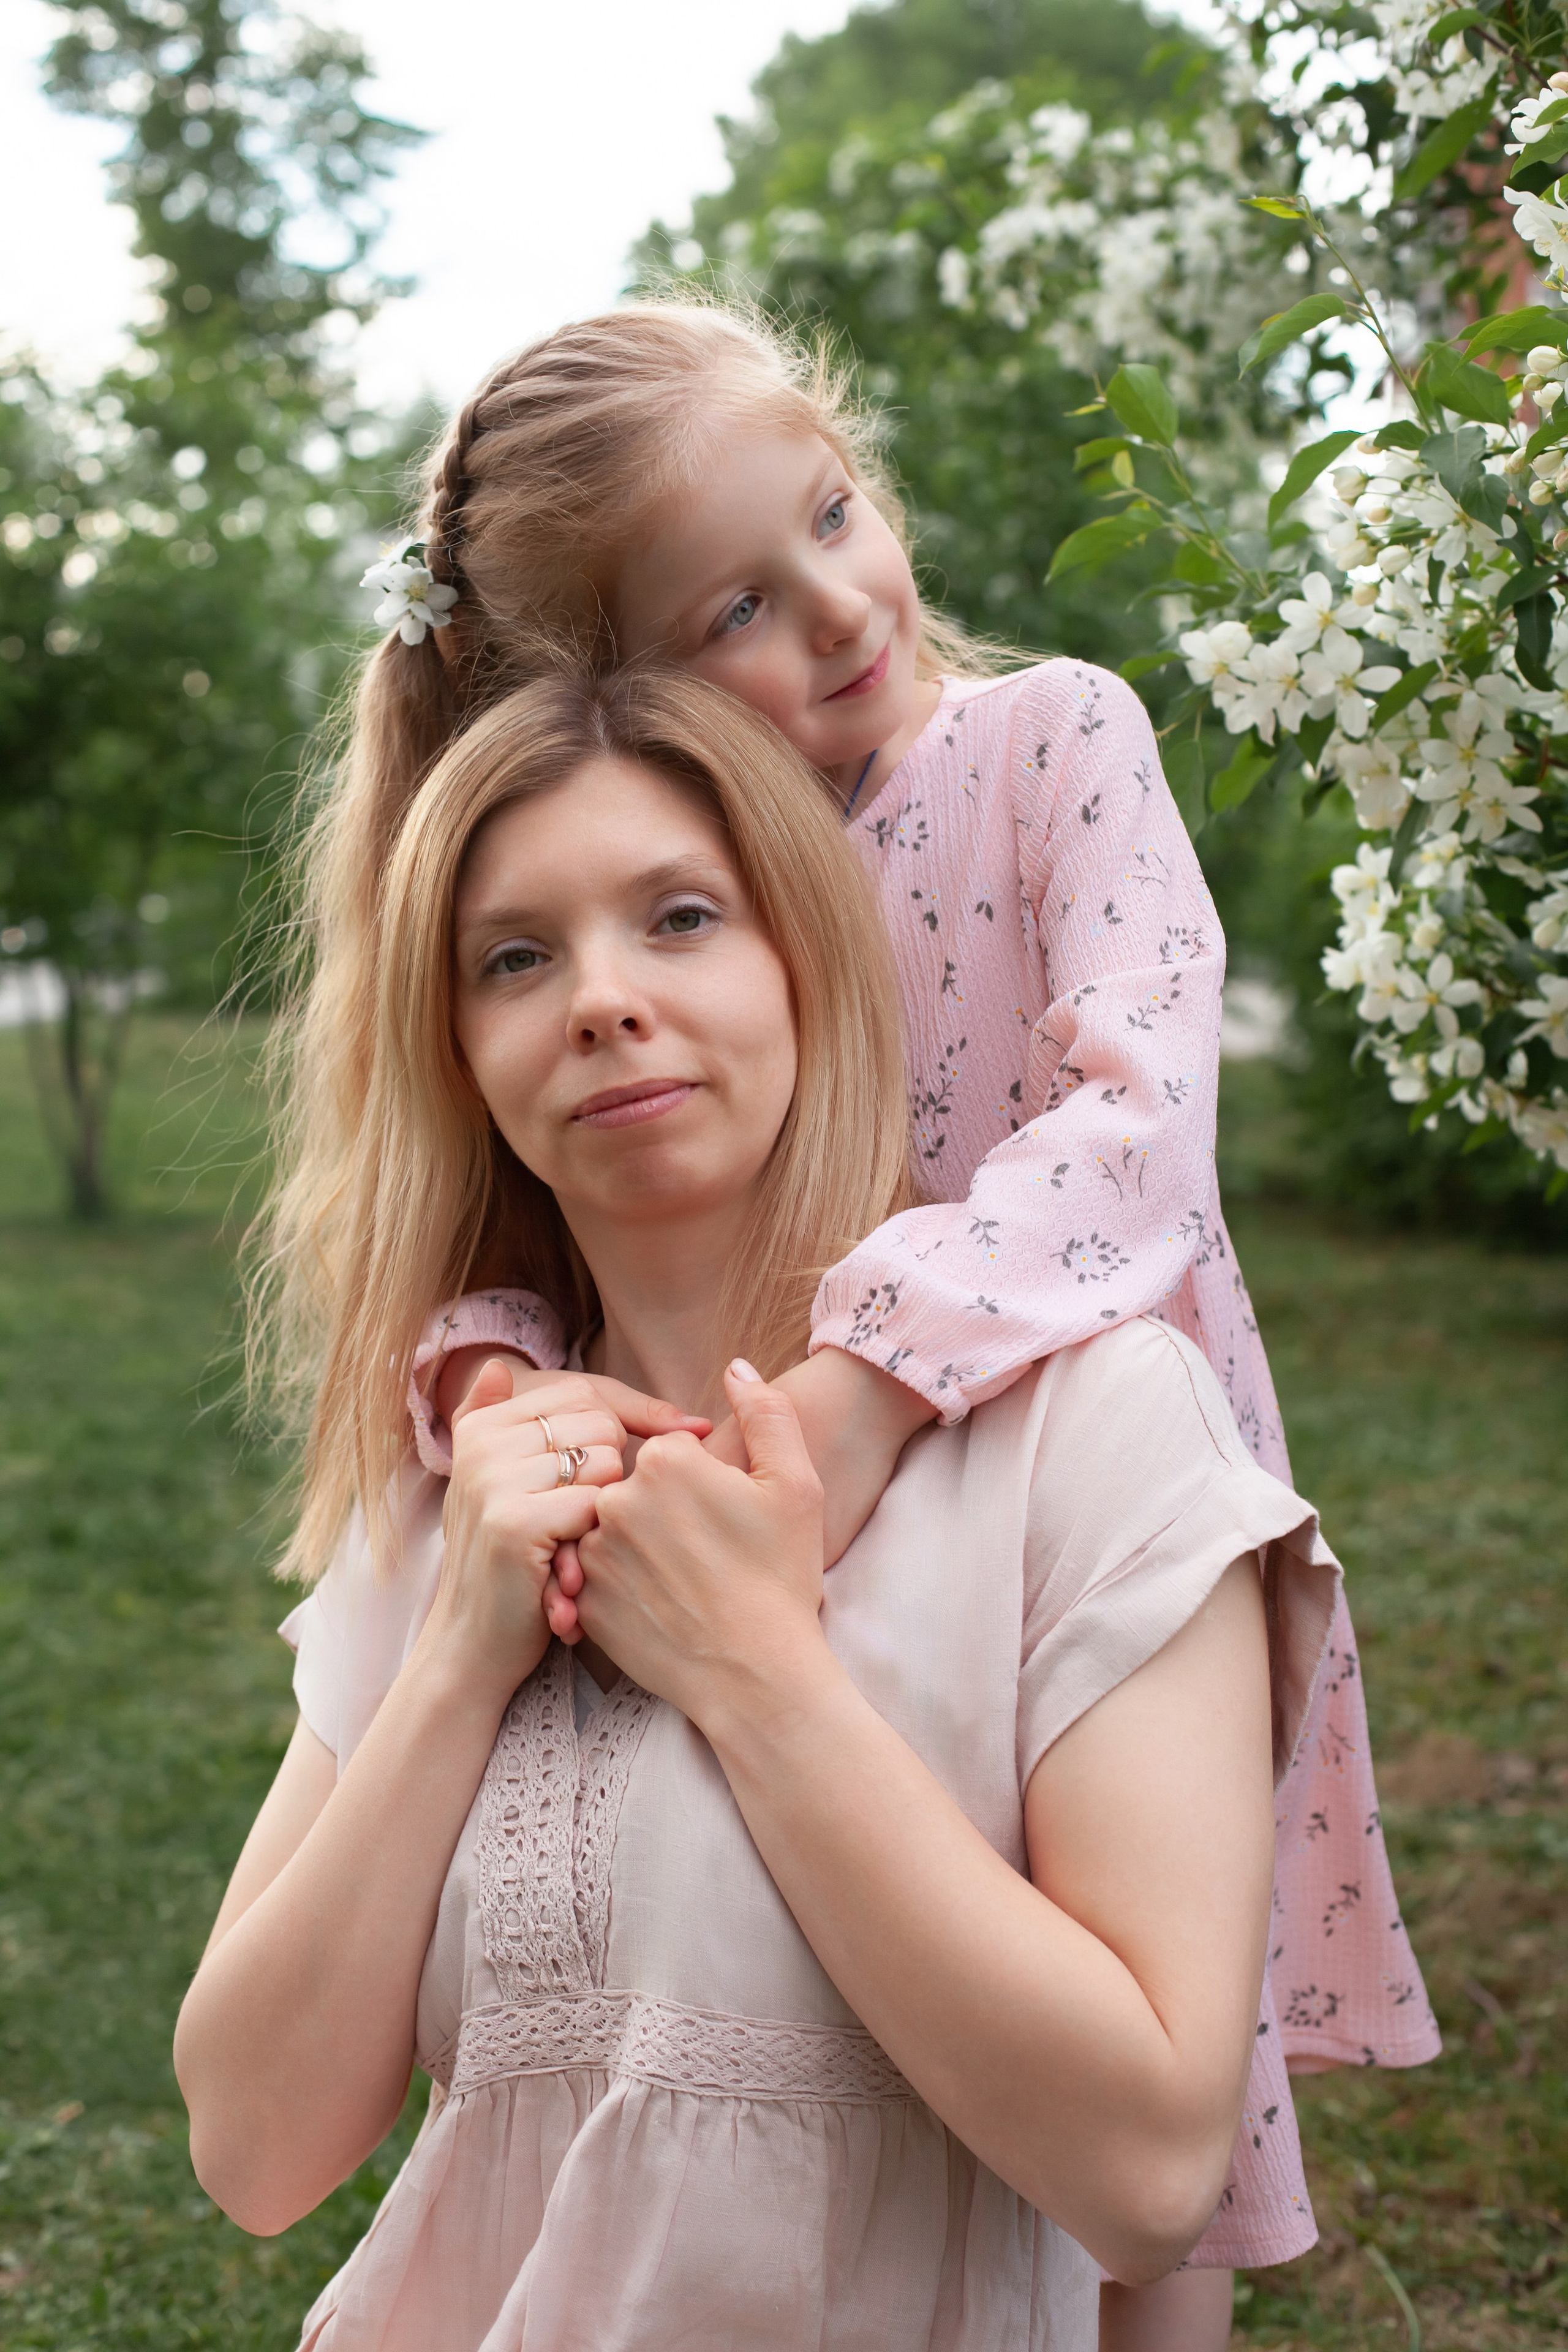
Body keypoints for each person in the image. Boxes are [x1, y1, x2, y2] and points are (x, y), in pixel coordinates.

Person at [301, 299, 1436, 2343]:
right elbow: (558, 1193)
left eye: (838, 512)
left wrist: (871, 1386)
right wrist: (488, 1366)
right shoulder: (693, 865)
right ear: (625, 688)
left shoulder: (1045, 742)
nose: (841, 609)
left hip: (1053, 1467)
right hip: (788, 1492)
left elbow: (1137, 1115)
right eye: (743, 599)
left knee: (1148, 2160)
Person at [177, 672, 1343, 2351]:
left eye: (680, 917)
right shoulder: (459, 1488)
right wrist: (455, 1659)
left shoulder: (1092, 1439)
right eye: (515, 957)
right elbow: (253, 2148)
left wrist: (753, 1673)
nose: (600, 1001)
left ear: (809, 954)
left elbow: (1153, 2169)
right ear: (463, 1052)